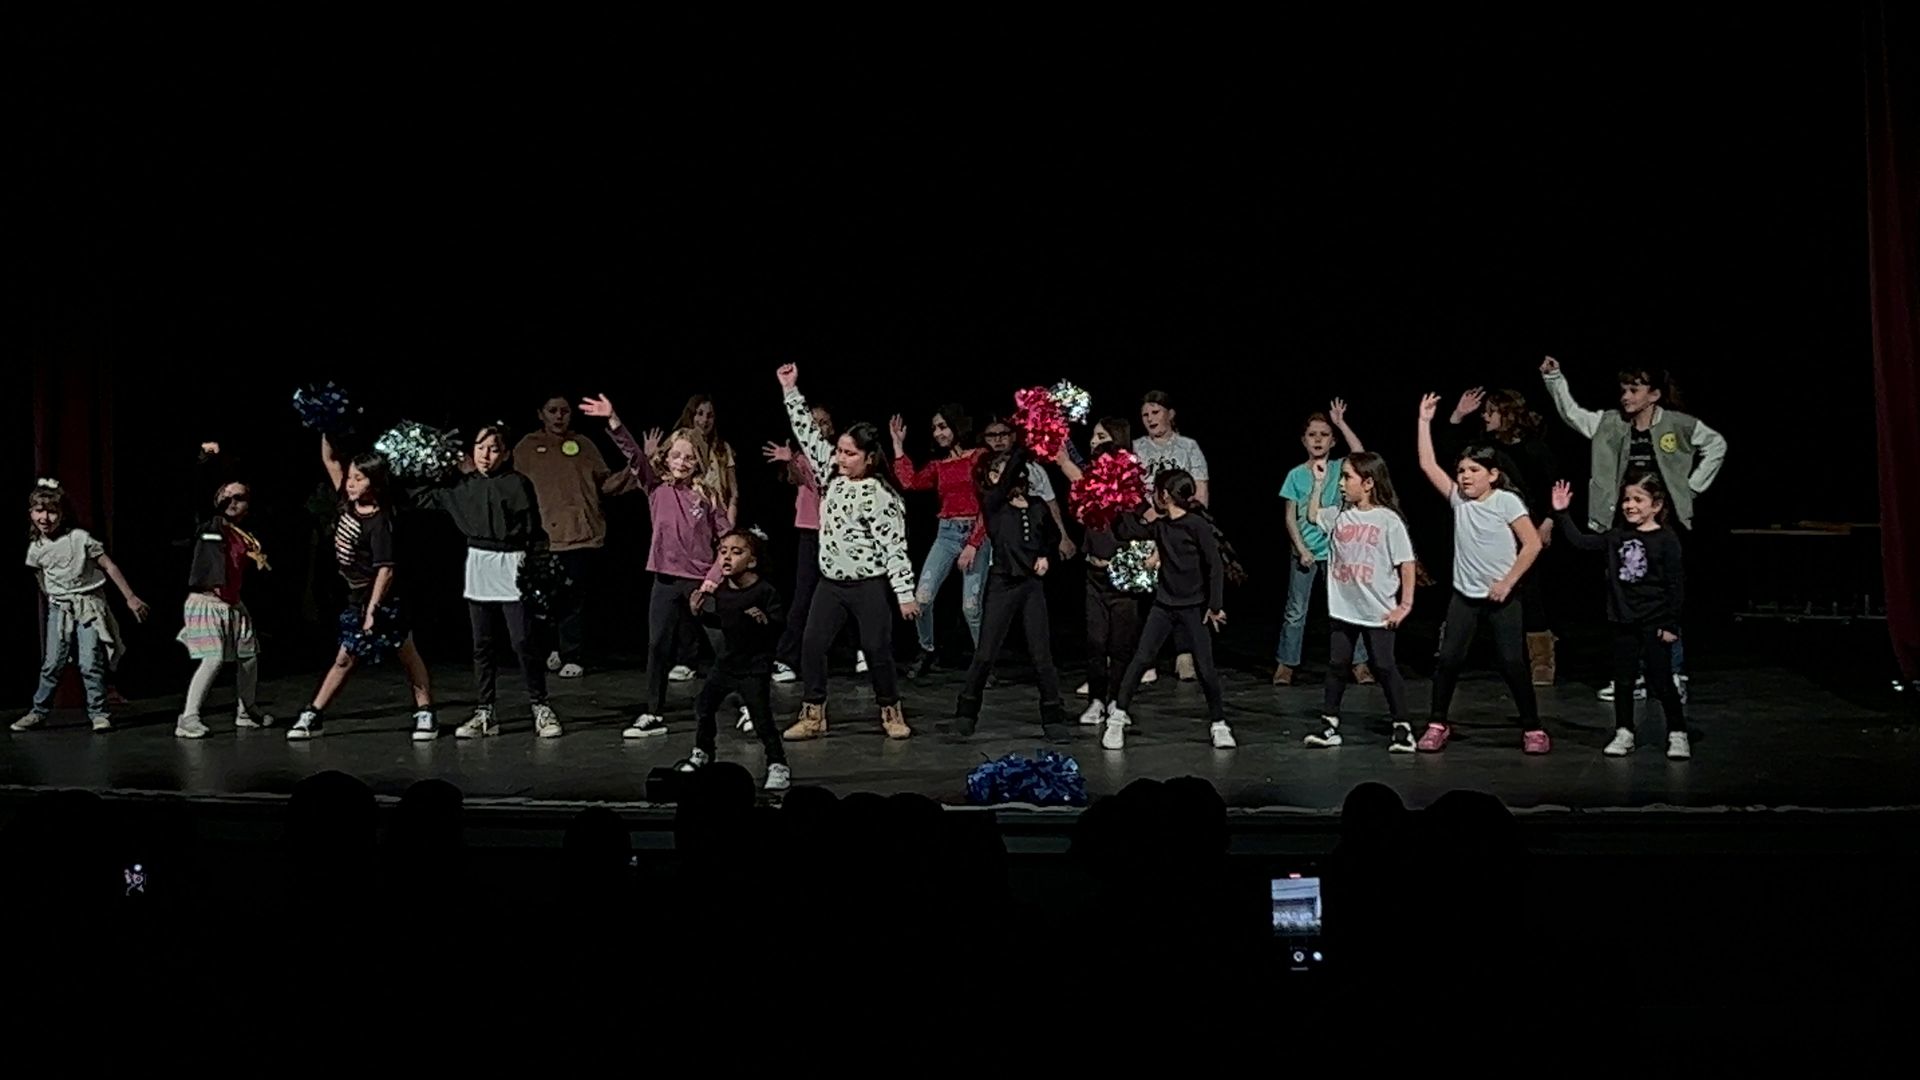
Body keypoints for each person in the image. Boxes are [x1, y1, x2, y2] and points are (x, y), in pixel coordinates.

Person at [1539, 356, 1727, 701]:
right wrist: (1554, 378)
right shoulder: (1609, 423)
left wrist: (1692, 488)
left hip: (1662, 526)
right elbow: (1572, 413)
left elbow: (1717, 445)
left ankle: (1672, 673)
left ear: (1653, 394)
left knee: (1661, 598)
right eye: (1623, 389)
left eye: (1634, 389)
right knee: (1625, 598)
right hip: (1621, 526)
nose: (1626, 396)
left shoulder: (1677, 424)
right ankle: (1633, 675)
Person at [775, 364, 920, 741]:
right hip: (831, 584)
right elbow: (807, 434)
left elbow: (895, 547)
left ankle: (891, 710)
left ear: (869, 457)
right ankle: (813, 714)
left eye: (849, 453)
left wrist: (904, 594)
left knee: (876, 648)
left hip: (868, 585)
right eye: (839, 450)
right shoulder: (829, 474)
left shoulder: (881, 494)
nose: (840, 457)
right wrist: (791, 391)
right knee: (811, 645)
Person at [581, 395, 731, 739]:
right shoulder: (655, 487)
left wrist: (712, 580)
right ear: (666, 457)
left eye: (689, 457)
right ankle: (653, 713)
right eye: (676, 455)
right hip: (664, 582)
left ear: (698, 462)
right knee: (657, 647)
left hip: (699, 584)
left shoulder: (707, 497)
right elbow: (634, 455)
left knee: (724, 648)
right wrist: (614, 420)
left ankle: (747, 707)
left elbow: (729, 542)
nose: (681, 462)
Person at [1413, 394, 1545, 754]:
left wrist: (1507, 583)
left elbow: (1532, 544)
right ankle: (1438, 722)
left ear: (1492, 475)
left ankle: (1533, 727)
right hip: (1465, 596)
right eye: (1461, 471)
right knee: (1448, 660)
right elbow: (1427, 464)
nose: (1465, 477)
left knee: (1513, 662)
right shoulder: (1458, 499)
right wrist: (1425, 421)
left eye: (1473, 471)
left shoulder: (1506, 501)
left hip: (1502, 596)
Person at [413, 423, 560, 740]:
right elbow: (421, 497)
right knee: (482, 644)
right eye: (480, 448)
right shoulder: (462, 486)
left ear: (505, 453)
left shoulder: (518, 484)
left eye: (493, 449)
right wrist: (436, 466)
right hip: (479, 562)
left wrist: (536, 569)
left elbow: (533, 530)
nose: (486, 455)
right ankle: (485, 711)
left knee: (522, 640)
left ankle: (539, 705)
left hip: (512, 563)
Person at [288, 436, 435, 741]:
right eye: (350, 477)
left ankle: (425, 713)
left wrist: (373, 610)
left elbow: (386, 569)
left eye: (359, 478)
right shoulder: (346, 500)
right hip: (355, 594)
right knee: (347, 657)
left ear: (375, 482)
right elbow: (330, 459)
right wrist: (326, 424)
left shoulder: (380, 522)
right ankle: (314, 714)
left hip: (380, 597)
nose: (351, 483)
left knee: (405, 652)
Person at [1552, 477, 1691, 759]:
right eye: (1627, 499)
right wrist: (1562, 513)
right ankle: (1624, 731)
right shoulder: (1616, 537)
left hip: (1655, 620)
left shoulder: (1666, 539)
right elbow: (1581, 542)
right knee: (1624, 681)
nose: (1630, 505)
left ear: (1656, 505)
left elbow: (1676, 584)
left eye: (1638, 500)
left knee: (1662, 680)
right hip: (1623, 620)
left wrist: (1669, 624)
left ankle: (1677, 732)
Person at [1100, 469, 1233, 751]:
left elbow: (1215, 566)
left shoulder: (1196, 525)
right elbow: (1134, 528)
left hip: (1193, 607)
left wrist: (1215, 606)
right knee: (1141, 659)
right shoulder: (1161, 527)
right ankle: (1118, 717)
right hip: (1164, 605)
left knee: (1206, 667)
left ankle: (1219, 723)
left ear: (1163, 495)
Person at [1300, 453, 1418, 753]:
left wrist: (1405, 605)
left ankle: (1402, 727)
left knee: (1384, 665)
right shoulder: (1339, 515)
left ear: (1368, 483)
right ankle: (1330, 725)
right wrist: (1317, 483)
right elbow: (1313, 515)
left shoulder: (1388, 521)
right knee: (1337, 663)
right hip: (1344, 608)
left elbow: (1406, 563)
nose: (1341, 484)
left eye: (1347, 477)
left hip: (1378, 609)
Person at [514, 393, 635, 679]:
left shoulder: (583, 445)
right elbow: (511, 486)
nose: (559, 416)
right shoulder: (527, 448)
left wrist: (637, 469)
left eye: (565, 411)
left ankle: (572, 654)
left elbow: (606, 484)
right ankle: (551, 647)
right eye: (552, 410)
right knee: (543, 600)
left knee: (573, 598)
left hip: (581, 534)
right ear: (540, 414)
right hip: (542, 536)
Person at [16, 481, 151, 733]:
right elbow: (42, 581)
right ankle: (38, 711)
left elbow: (108, 566)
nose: (45, 517)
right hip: (61, 608)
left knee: (90, 661)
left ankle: (98, 712)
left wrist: (130, 597)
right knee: (52, 663)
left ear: (62, 513)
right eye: (39, 511)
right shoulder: (35, 550)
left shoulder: (79, 538)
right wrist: (57, 602)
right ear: (31, 513)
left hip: (88, 606)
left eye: (51, 511)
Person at [954, 443, 1067, 740]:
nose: (1003, 475)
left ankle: (1054, 714)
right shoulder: (993, 503)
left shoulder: (1038, 505)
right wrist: (1024, 444)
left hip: (1030, 586)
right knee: (986, 653)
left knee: (1041, 654)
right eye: (997, 471)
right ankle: (967, 711)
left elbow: (1051, 538)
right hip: (1003, 583)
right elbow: (1006, 479)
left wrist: (1045, 556)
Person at [1447, 387, 1560, 683]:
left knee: (1530, 592)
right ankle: (1453, 652)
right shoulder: (1488, 449)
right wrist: (1458, 414)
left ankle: (1541, 659)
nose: (1485, 417)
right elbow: (1454, 455)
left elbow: (1552, 486)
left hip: (1526, 522)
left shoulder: (1534, 448)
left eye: (1491, 411)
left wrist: (1548, 522)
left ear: (1508, 414)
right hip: (1491, 524)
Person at [174, 444, 272, 737]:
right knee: (213, 658)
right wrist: (207, 460)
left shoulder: (243, 535)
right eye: (226, 496)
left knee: (249, 656)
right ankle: (188, 717)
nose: (232, 501)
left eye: (239, 498)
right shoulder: (209, 524)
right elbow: (197, 487)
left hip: (233, 604)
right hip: (206, 602)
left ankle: (246, 711)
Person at [764, 403, 865, 681]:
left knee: (849, 590)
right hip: (810, 532)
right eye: (813, 422)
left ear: (830, 428)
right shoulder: (799, 457)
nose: (818, 426)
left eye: (823, 422)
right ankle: (787, 658)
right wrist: (789, 460)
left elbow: (827, 483)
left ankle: (862, 650)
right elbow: (801, 481)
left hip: (837, 532)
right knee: (804, 595)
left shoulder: (839, 457)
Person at [684, 530, 792, 791]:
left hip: (754, 667)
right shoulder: (722, 592)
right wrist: (699, 615)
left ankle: (778, 764)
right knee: (704, 706)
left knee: (761, 717)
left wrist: (764, 621)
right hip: (727, 663)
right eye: (723, 552)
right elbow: (724, 623)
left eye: (736, 552)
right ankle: (703, 752)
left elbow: (778, 626)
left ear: (752, 561)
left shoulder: (764, 591)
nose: (727, 558)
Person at [1053, 418, 1144, 727]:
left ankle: (1118, 702)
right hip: (1093, 573)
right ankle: (1096, 700)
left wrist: (1066, 464)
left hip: (1122, 576)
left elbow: (1096, 491)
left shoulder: (1127, 482)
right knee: (1094, 641)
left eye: (1102, 437)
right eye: (1093, 437)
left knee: (1120, 644)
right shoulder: (1091, 480)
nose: (1094, 442)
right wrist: (1059, 438)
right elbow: (1082, 486)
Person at [1275, 401, 1372, 686]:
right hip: (1305, 553)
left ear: (1332, 441)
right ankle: (1286, 665)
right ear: (1303, 440)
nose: (1317, 440)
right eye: (1312, 435)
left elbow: (1362, 455)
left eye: (1324, 434)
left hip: (1337, 553)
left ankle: (1360, 664)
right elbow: (1291, 518)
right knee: (1296, 611)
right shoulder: (1295, 474)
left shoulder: (1340, 468)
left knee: (1347, 609)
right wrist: (1302, 549)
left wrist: (1341, 422)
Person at [890, 405, 985, 676]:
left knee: (971, 607)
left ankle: (983, 661)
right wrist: (898, 446)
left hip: (976, 532)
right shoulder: (938, 466)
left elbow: (989, 505)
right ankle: (927, 649)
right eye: (934, 428)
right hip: (946, 533)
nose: (938, 433)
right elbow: (909, 482)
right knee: (922, 596)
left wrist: (974, 544)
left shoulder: (979, 457)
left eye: (943, 426)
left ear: (957, 426)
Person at [1132, 391, 1210, 682]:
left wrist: (1182, 520)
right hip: (1146, 526)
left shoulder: (1188, 447)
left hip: (1180, 527)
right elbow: (1128, 489)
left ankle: (1184, 655)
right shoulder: (1136, 447)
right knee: (1146, 593)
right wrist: (1148, 515)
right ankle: (1147, 659)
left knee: (1181, 589)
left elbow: (1200, 491)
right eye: (1145, 414)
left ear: (1170, 413)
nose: (1150, 419)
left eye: (1155, 412)